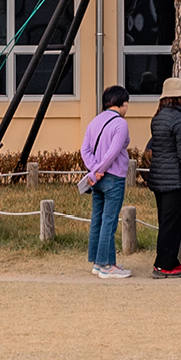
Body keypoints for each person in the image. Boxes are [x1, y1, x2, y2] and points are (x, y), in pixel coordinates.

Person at [146, 77, 181, 278]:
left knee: (165, 222)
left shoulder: (157, 118)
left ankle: (171, 260)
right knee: (173, 225)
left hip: (158, 179)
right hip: (175, 181)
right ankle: (163, 265)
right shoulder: (179, 119)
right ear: (180, 98)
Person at [80, 85, 132, 279]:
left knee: (98, 219)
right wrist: (100, 170)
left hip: (97, 180)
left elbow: (84, 150)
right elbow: (113, 152)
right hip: (114, 177)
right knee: (109, 221)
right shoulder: (120, 124)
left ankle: (97, 261)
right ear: (122, 103)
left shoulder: (94, 121)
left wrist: (94, 170)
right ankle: (106, 265)